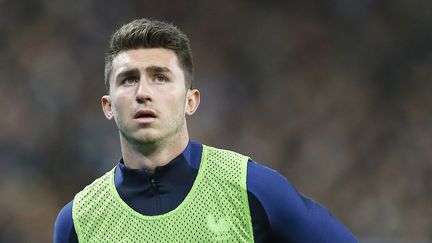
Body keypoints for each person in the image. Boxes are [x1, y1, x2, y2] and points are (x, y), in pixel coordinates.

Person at [54, 18, 357, 242]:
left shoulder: (253, 190)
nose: (143, 92)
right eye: (128, 79)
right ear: (108, 105)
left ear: (190, 100)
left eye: (160, 78)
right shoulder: (78, 222)